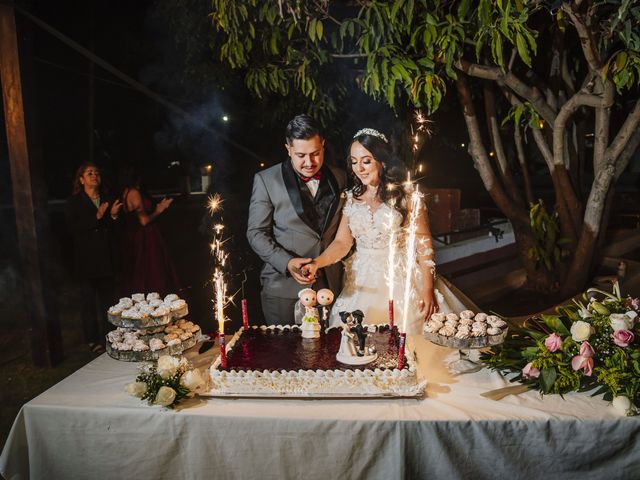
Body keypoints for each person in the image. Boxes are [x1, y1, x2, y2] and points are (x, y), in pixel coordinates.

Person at [303, 128, 475, 334]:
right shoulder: (350, 197)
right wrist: (316, 263)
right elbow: (342, 243)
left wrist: (428, 289)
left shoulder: (408, 195)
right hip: (360, 282)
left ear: (382, 161)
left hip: (402, 278)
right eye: (354, 161)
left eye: (366, 161)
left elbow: (423, 244)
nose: (359, 168)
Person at [247, 114, 347, 325]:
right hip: (283, 288)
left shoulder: (340, 177)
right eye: (301, 155)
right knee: (285, 355)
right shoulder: (266, 180)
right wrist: (288, 262)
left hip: (332, 286)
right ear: (288, 149)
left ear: (323, 145)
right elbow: (255, 233)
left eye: (315, 153)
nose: (309, 162)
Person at [66, 162, 122, 353]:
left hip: (106, 259)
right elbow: (72, 229)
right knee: (88, 301)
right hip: (86, 260)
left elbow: (115, 230)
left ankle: (111, 335)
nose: (94, 175)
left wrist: (113, 216)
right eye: (89, 173)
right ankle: (92, 339)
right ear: (81, 180)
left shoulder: (107, 199)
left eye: (96, 173)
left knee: (108, 301)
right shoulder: (74, 202)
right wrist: (96, 217)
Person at [119, 165, 180, 296]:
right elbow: (144, 221)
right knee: (153, 274)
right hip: (146, 239)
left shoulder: (128, 191)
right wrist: (159, 209)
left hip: (142, 237)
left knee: (149, 273)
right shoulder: (133, 192)